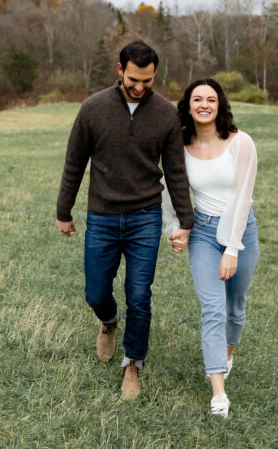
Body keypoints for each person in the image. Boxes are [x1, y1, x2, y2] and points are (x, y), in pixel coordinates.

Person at [55, 40, 195, 400]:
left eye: (147, 81)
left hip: (145, 217)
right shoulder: (93, 109)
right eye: (134, 79)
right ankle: (108, 321)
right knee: (96, 292)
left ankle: (132, 363)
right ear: (120, 71)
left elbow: (176, 171)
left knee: (139, 295)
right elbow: (74, 162)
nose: (140, 87)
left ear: (155, 75)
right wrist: (63, 211)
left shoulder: (165, 114)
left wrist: (185, 219)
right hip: (102, 215)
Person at [163, 78, 259, 418]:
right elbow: (170, 188)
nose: (204, 104)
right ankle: (219, 394)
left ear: (220, 106)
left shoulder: (241, 143)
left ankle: (228, 355)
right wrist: (176, 228)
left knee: (235, 307)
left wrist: (233, 247)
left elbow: (243, 196)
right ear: (188, 106)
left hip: (240, 230)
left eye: (211, 99)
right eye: (197, 99)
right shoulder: (180, 145)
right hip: (203, 232)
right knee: (213, 308)